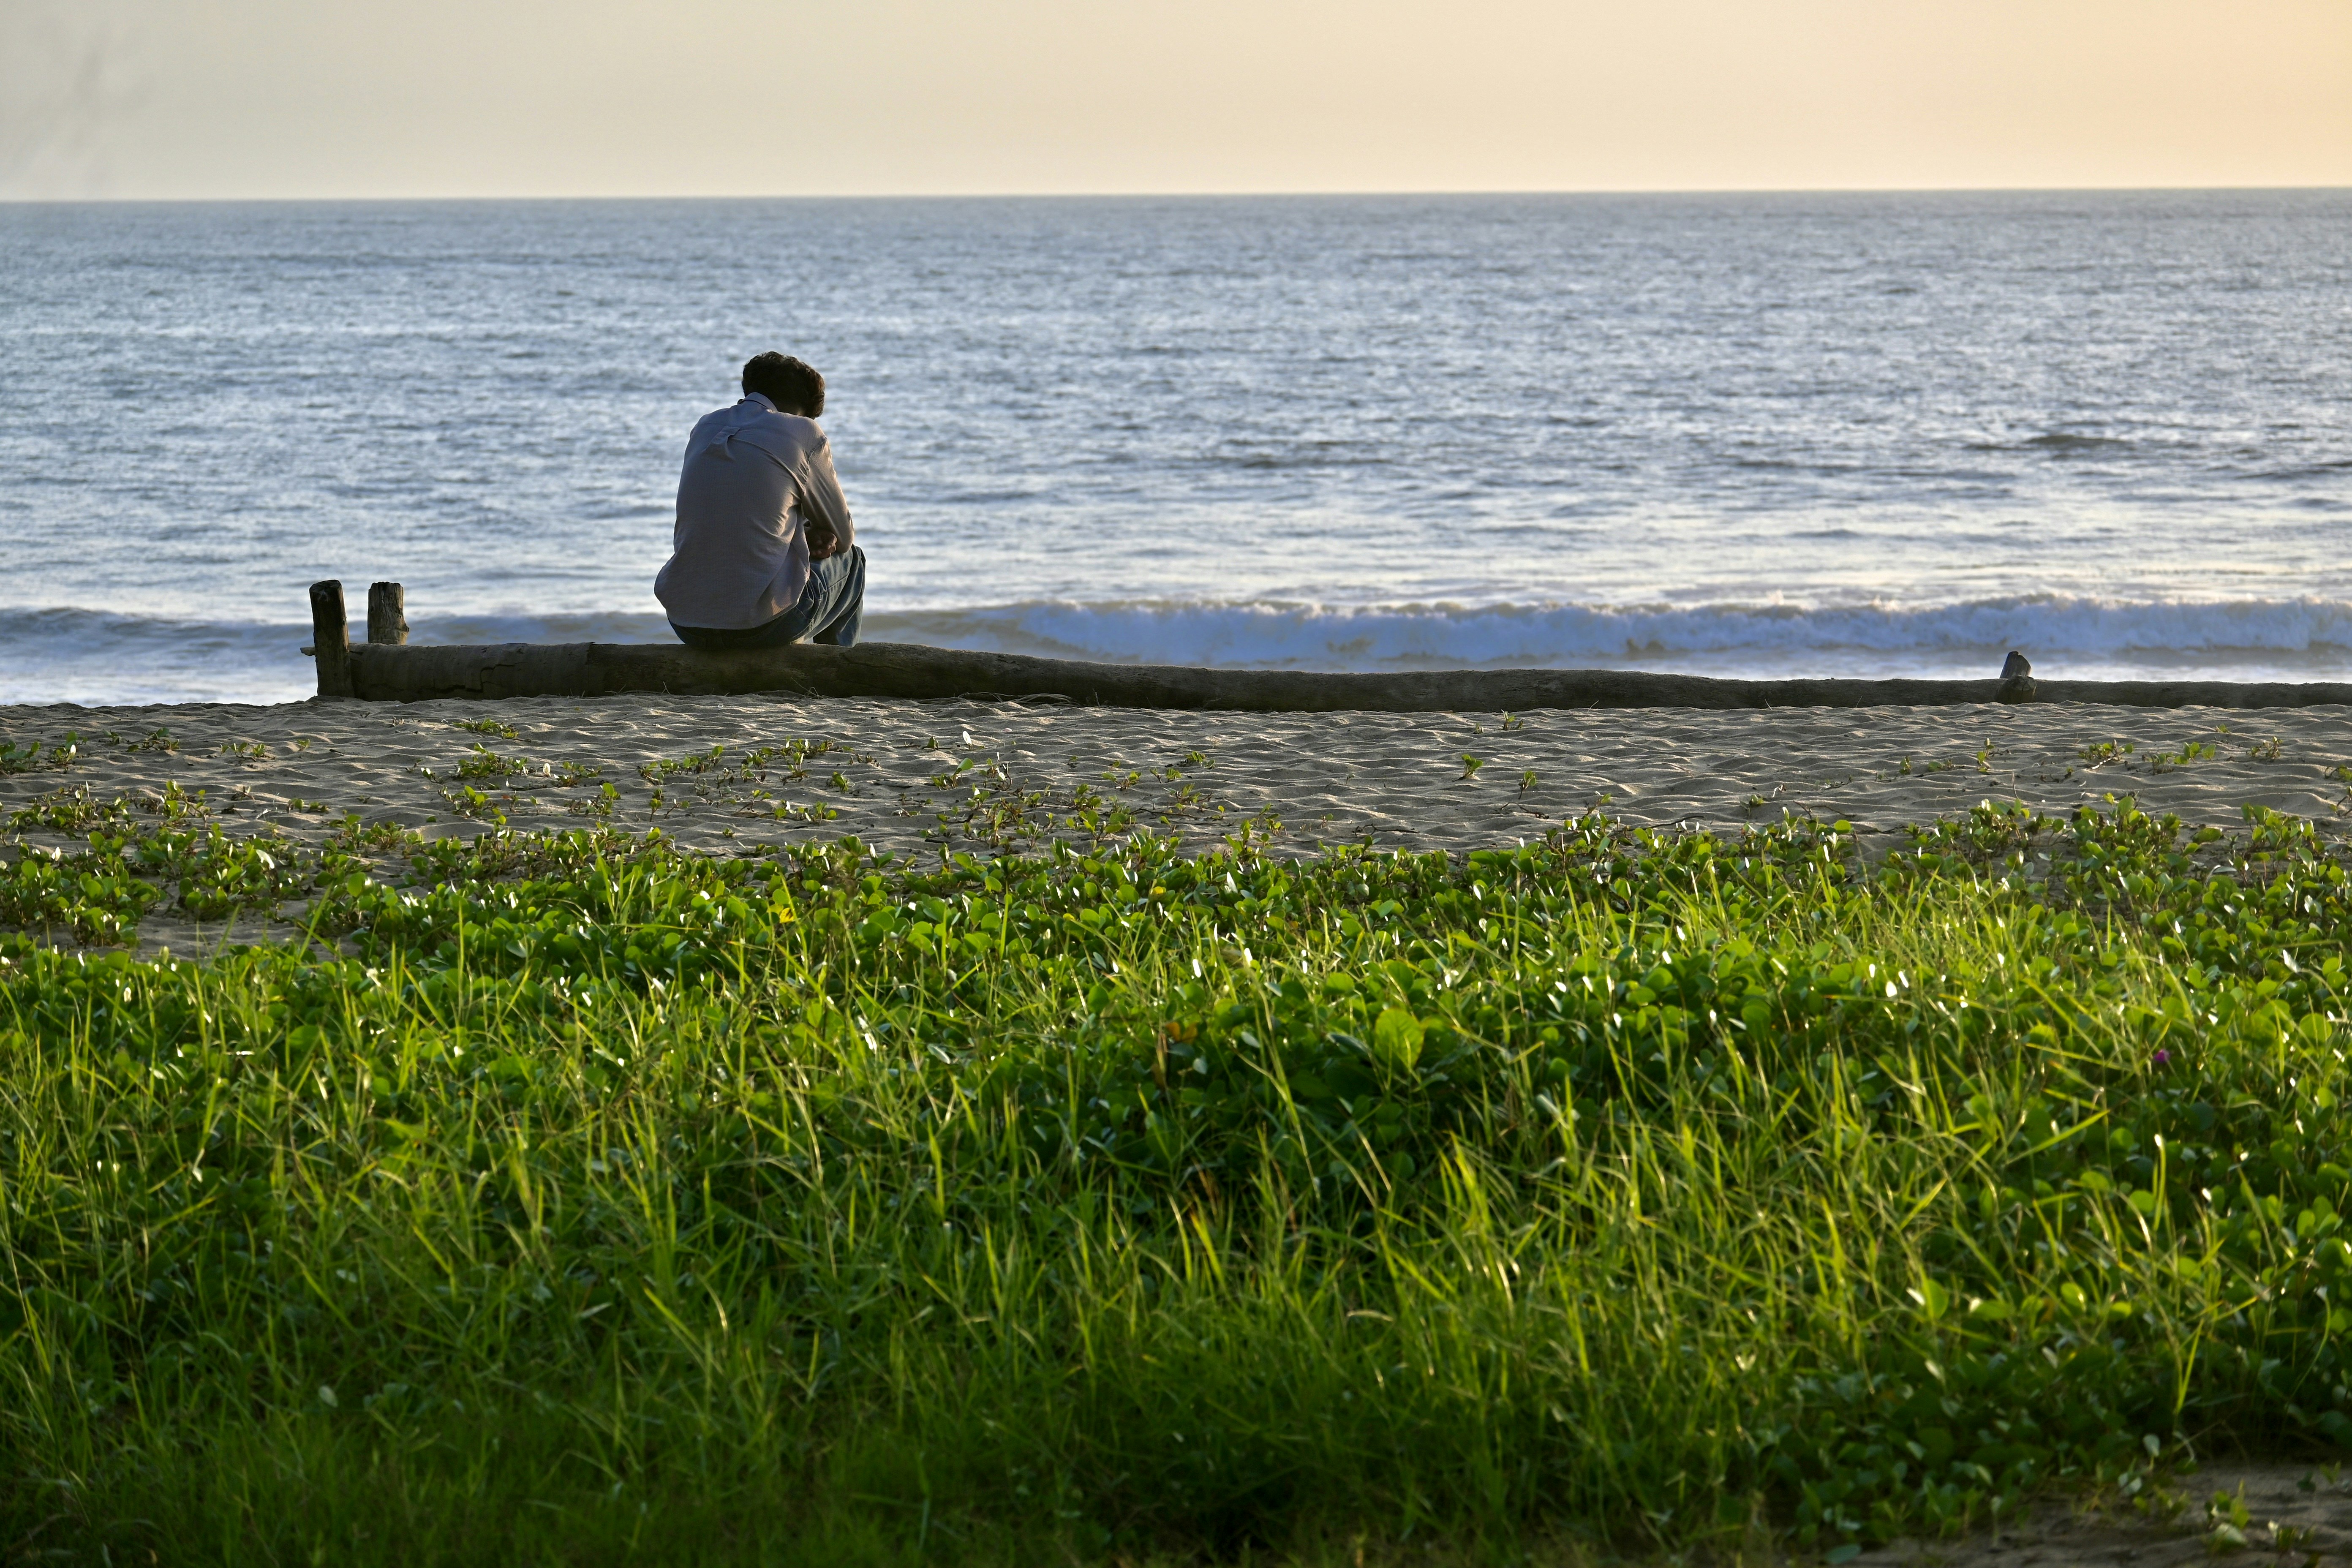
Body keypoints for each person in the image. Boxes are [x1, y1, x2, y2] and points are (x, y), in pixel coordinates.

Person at [655, 352, 865, 650]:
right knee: (854, 561)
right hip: (760, 627)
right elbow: (842, 537)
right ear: (804, 410)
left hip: (687, 623)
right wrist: (814, 534)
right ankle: (836, 671)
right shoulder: (802, 431)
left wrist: (800, 534)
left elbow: (737, 516)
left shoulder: (705, 427)